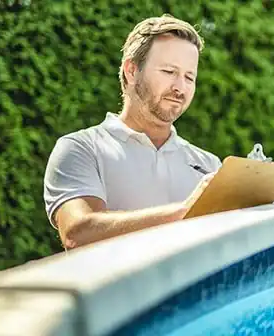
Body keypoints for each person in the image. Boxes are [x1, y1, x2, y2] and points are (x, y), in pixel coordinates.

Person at [43, 14, 222, 250]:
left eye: (190, 77)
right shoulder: (81, 148)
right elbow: (78, 232)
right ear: (131, 70)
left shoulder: (209, 164)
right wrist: (184, 212)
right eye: (169, 72)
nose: (180, 87)